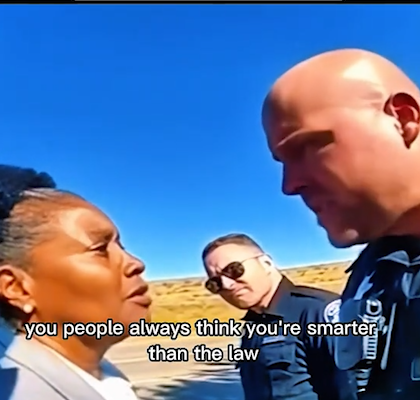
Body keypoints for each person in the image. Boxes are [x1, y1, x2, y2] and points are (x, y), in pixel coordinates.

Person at [261, 48, 420, 399]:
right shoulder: (372, 274)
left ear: (403, 119)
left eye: (306, 146)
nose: (289, 185)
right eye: (283, 161)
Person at [0, 164, 152, 400]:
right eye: (100, 249)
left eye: (120, 246)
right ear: (17, 288)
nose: (136, 263)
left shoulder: (104, 377)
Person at [201, 232, 353, 400]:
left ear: (266, 264)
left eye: (234, 270)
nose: (227, 285)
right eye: (215, 283)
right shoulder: (253, 326)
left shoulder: (318, 311)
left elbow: (355, 390)